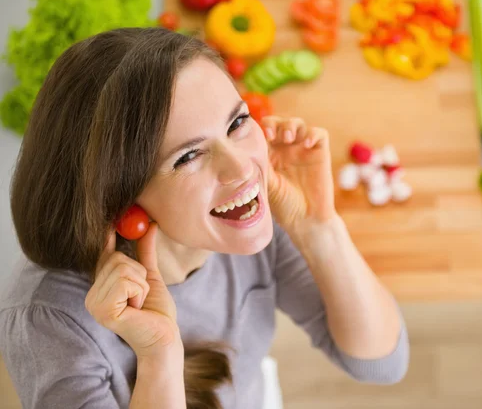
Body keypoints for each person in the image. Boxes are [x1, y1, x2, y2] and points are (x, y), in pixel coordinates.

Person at [0, 28, 409, 409]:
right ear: (118, 201)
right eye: (189, 156)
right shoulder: (50, 318)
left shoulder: (249, 214)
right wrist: (159, 355)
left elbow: (380, 362)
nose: (243, 169)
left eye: (237, 122)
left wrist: (319, 229)